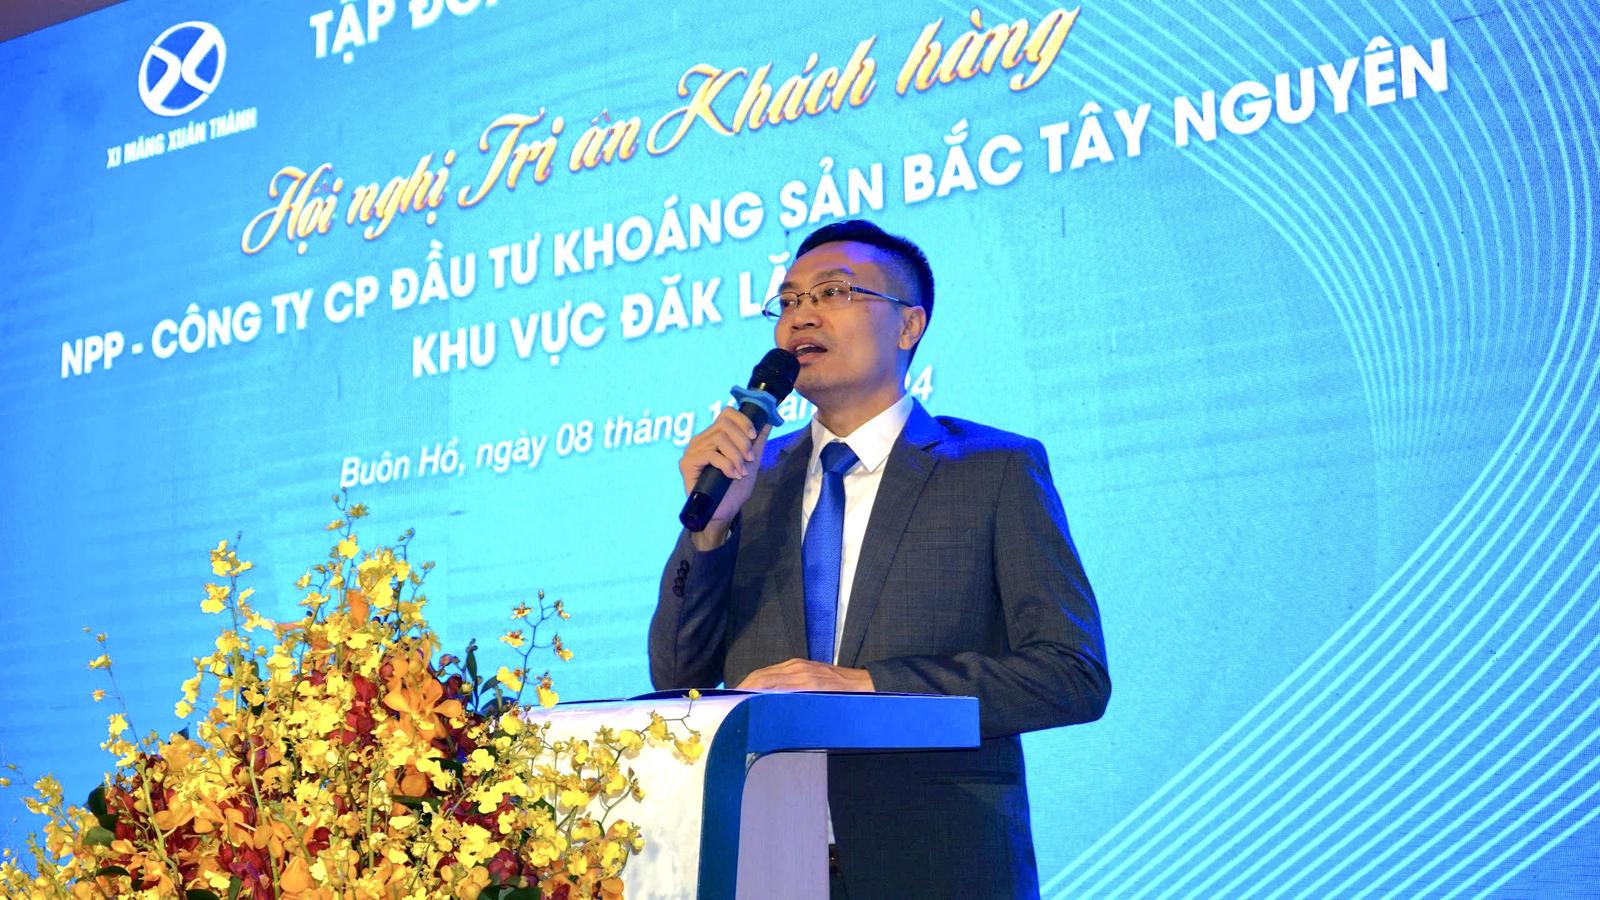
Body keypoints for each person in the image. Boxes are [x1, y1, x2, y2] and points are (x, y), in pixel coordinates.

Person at [649, 219, 1110, 899]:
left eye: (833, 292)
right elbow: (676, 679)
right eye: (788, 300)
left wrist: (866, 685)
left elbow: (1072, 675)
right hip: (766, 863)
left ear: (908, 325)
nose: (802, 315)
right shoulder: (750, 479)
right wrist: (710, 530)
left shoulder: (994, 470)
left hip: (937, 865)